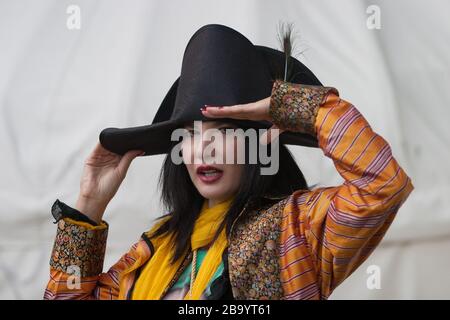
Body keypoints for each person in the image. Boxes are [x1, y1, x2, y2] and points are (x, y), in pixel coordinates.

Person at [44, 24, 413, 300]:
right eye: (189, 133)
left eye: (222, 131)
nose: (203, 147)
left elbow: (383, 185)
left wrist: (294, 108)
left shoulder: (298, 230)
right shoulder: (153, 250)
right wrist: (90, 204)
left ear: (260, 141)